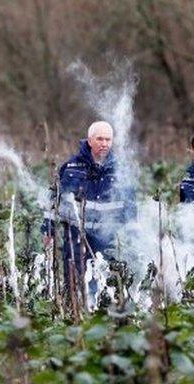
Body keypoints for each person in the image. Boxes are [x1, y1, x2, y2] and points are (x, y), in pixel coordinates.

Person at [44, 121, 134, 301]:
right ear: (90, 140)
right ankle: (75, 314)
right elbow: (55, 200)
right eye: (100, 139)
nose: (104, 143)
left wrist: (132, 233)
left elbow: (131, 204)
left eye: (108, 139)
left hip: (107, 236)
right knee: (74, 279)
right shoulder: (71, 168)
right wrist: (48, 229)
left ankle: (103, 316)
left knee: (105, 281)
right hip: (76, 235)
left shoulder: (120, 169)